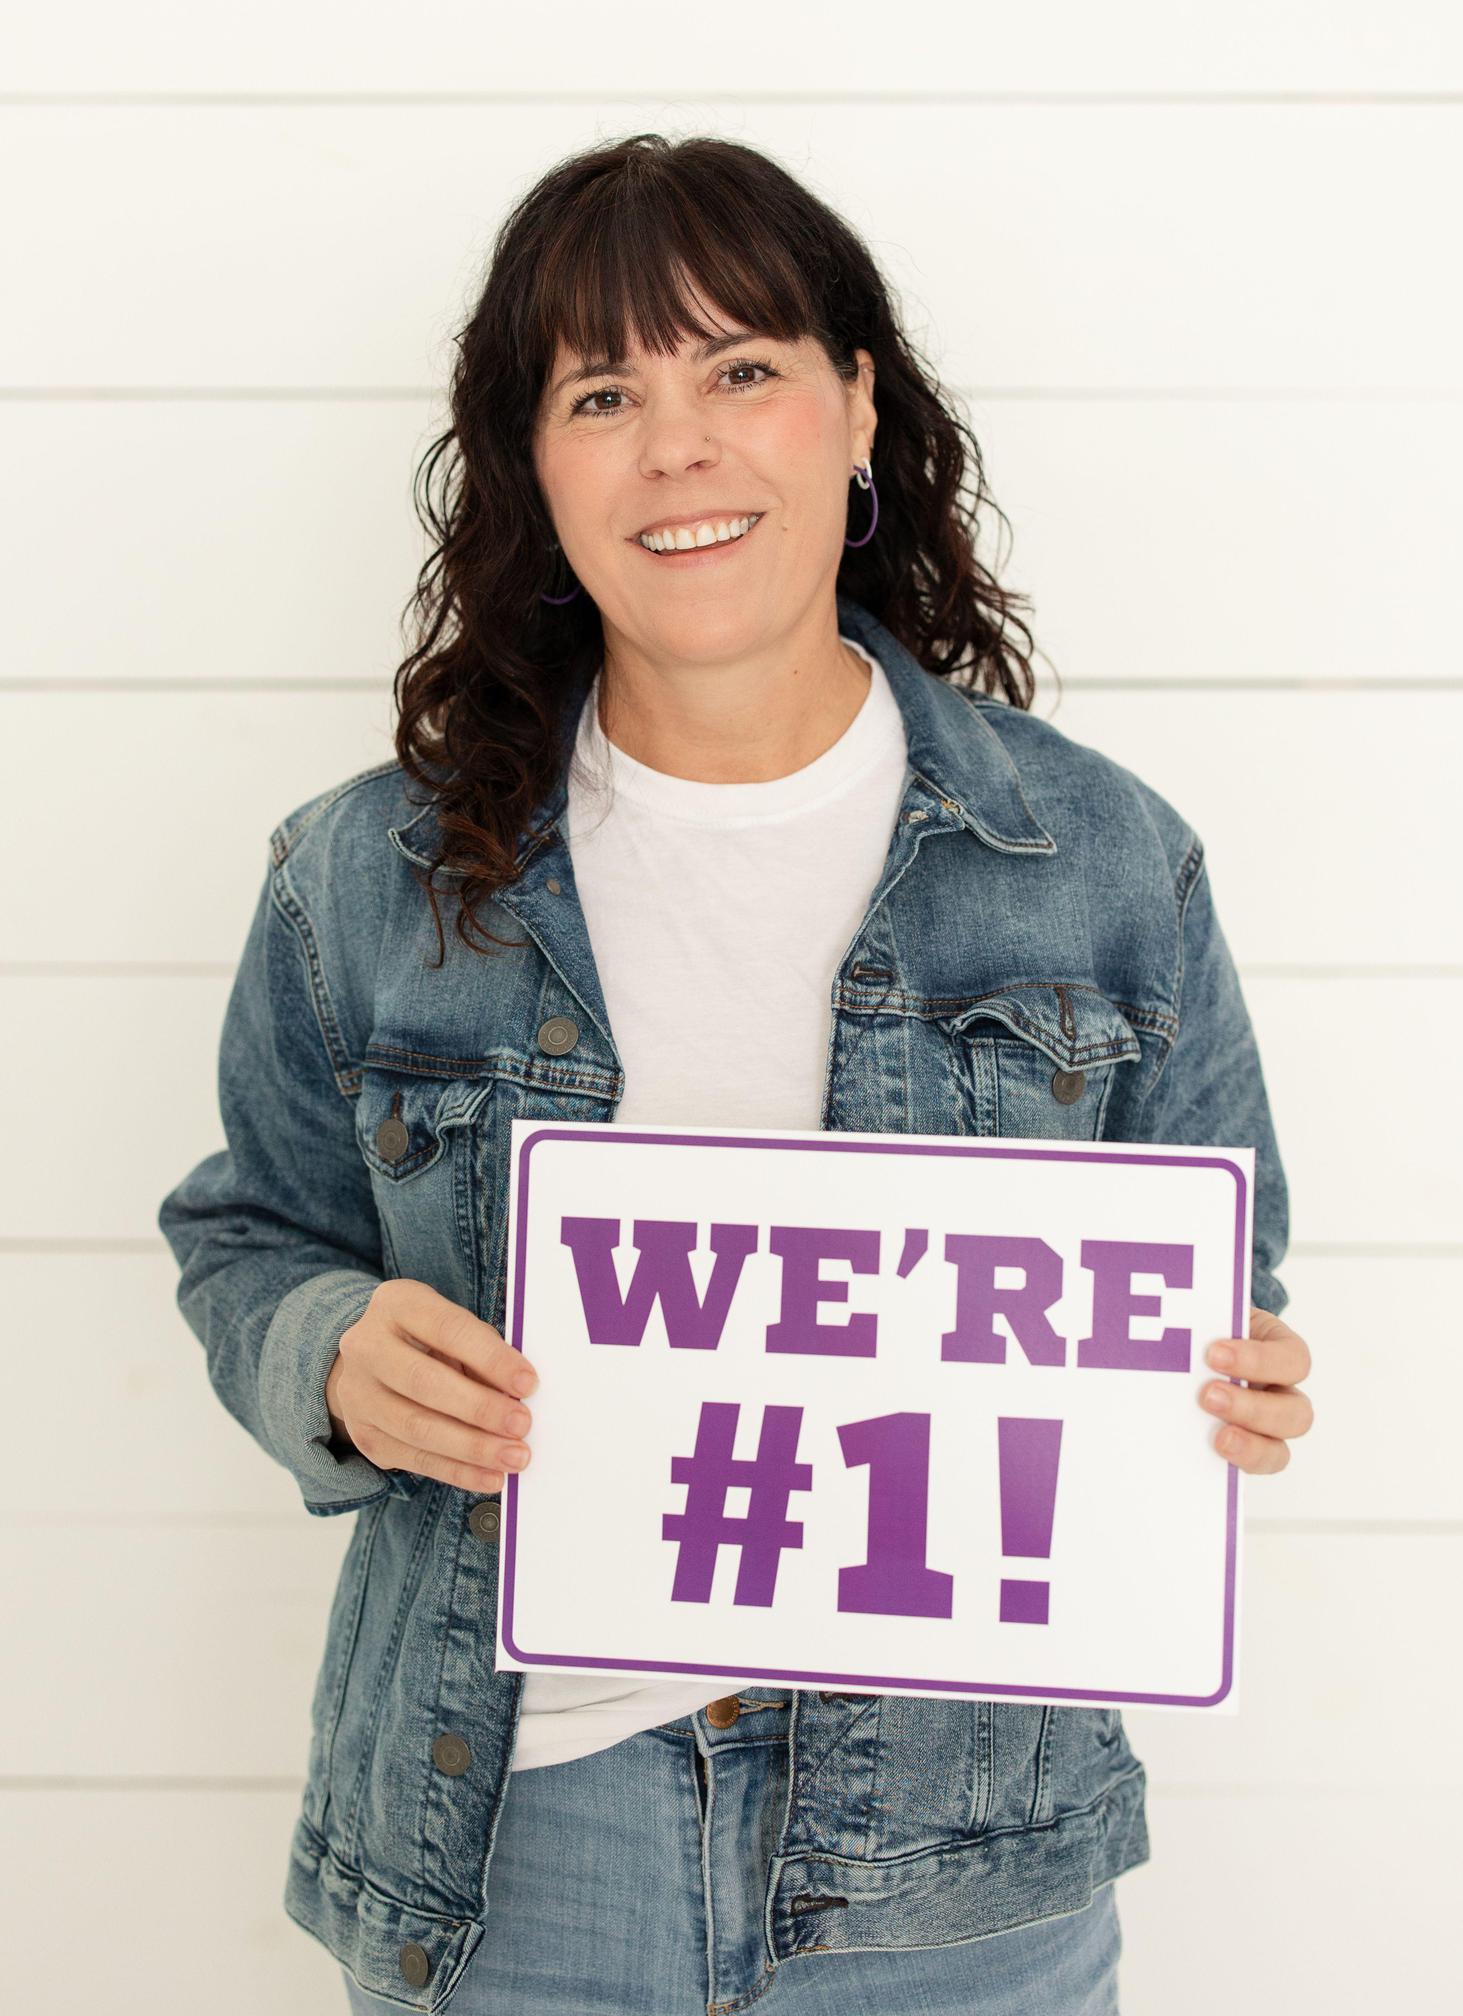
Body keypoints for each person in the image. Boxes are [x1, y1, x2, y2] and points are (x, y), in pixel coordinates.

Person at [157, 132, 1315, 2015]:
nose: (677, 446)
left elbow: (1223, 1280)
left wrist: (1233, 1385)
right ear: (535, 468)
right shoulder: (360, 875)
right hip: (518, 1842)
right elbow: (250, 1240)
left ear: (859, 410)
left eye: (743, 371)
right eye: (604, 392)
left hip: (962, 1871)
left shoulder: (1105, 861)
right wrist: (335, 1358)